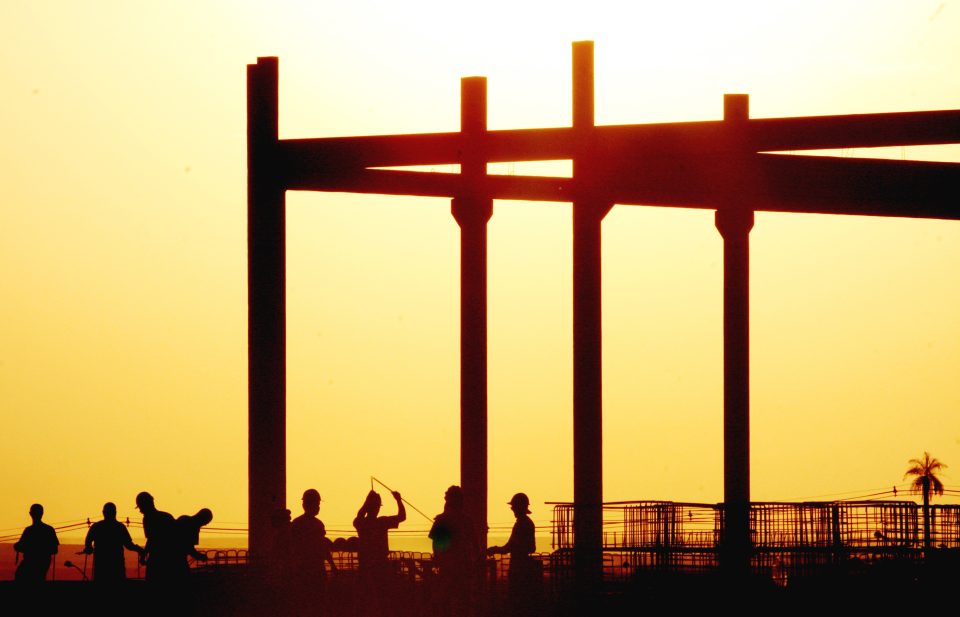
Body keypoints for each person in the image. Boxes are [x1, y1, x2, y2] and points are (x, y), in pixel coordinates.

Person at [428, 485, 482, 616]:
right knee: (463, 603)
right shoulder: (467, 520)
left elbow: (436, 544)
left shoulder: (442, 519)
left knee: (444, 602)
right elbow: (476, 546)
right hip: (464, 568)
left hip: (448, 569)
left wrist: (438, 559)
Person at [353, 490, 406, 613]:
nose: (377, 509)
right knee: (380, 599)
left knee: (368, 600)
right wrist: (398, 500)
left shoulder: (363, 523)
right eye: (376, 506)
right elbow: (402, 516)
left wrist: (366, 503)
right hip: (378, 566)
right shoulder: (381, 522)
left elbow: (359, 516)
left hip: (369, 566)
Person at [487, 493, 539, 615]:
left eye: (514, 506)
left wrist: (494, 549)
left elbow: (508, 547)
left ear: (519, 507)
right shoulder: (527, 523)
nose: (512, 509)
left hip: (519, 567)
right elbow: (531, 547)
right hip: (523, 566)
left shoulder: (521, 524)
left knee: (517, 600)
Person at [81, 501, 143, 582]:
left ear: (103, 513)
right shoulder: (120, 527)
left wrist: (88, 548)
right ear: (115, 513)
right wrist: (139, 549)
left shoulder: (96, 527)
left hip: (101, 566)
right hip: (117, 566)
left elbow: (88, 541)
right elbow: (129, 545)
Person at [289, 489, 336, 590]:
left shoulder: (297, 523)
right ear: (308, 504)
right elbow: (323, 547)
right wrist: (332, 565)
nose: (318, 507)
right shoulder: (317, 524)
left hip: (304, 570)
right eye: (317, 504)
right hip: (312, 569)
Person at [136, 491, 179, 582]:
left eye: (140, 507)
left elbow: (151, 539)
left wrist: (143, 555)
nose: (140, 511)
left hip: (156, 560)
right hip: (171, 560)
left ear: (145, 505)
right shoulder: (167, 516)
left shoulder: (148, 519)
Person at [13, 504, 59, 582]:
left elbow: (54, 549)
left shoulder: (29, 530)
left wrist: (27, 549)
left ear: (30, 514)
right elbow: (54, 549)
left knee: (22, 577)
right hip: (41, 562)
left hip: (33, 562)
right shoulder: (48, 529)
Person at [175, 508, 212, 575]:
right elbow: (188, 548)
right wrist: (200, 556)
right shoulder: (194, 527)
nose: (205, 525)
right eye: (206, 522)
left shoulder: (183, 519)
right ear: (203, 519)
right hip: (178, 559)